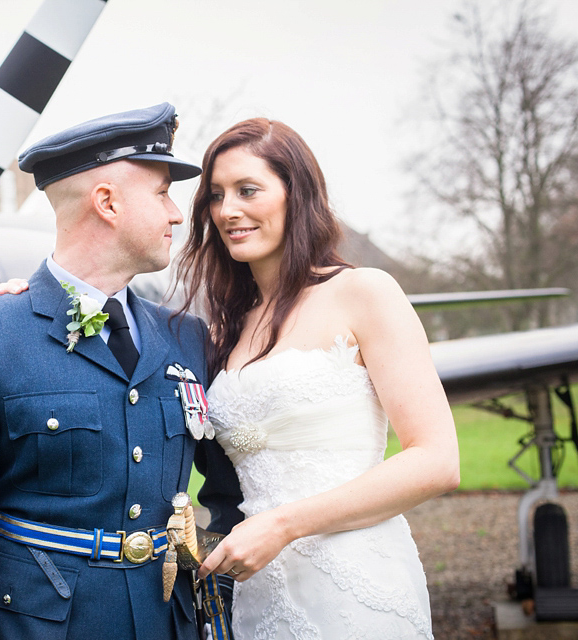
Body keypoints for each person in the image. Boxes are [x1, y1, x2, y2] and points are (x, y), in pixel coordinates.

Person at [0, 103, 243, 640]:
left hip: (170, 623)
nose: (177, 214)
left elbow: (234, 493)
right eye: (161, 192)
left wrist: (216, 588)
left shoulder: (187, 336)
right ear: (107, 203)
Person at [172, 118, 461, 639]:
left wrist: (283, 525)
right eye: (215, 196)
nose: (227, 210)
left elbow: (437, 461)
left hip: (357, 581)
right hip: (261, 595)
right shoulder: (224, 330)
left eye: (248, 190)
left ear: (296, 194)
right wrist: (26, 305)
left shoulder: (365, 292)